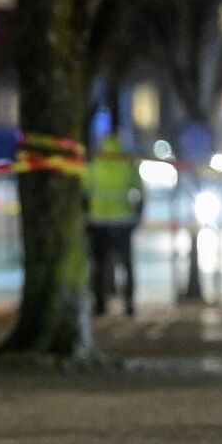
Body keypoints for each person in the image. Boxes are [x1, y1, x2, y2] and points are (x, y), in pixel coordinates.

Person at [85, 132, 145, 317]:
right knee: (126, 265)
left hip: (98, 222)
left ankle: (100, 305)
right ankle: (129, 304)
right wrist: (136, 217)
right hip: (123, 223)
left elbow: (84, 192)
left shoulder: (94, 164)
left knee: (99, 265)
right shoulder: (127, 164)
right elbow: (140, 193)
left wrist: (87, 217)